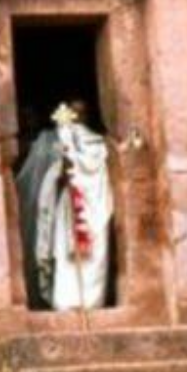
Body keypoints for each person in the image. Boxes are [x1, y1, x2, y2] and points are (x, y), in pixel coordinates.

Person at [14, 99, 115, 311]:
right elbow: (48, 177)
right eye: (74, 112)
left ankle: (92, 301)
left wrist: (81, 174)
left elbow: (99, 174)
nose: (78, 117)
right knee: (65, 254)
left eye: (82, 112)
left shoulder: (98, 143)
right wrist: (61, 174)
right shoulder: (55, 141)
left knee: (94, 254)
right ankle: (66, 301)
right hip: (67, 206)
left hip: (92, 204)